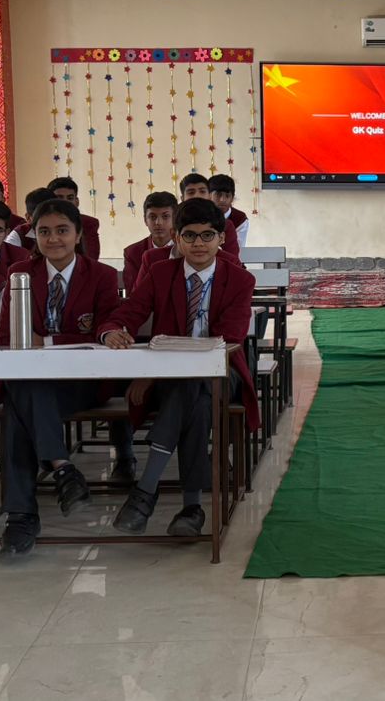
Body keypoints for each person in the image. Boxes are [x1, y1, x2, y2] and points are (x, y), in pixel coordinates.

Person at [100, 199, 258, 536]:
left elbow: (227, 339)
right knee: (194, 402)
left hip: (222, 372)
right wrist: (112, 330)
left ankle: (146, 489)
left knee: (192, 385)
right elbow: (129, 312)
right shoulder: (160, 273)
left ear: (221, 238)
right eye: (189, 235)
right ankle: (192, 508)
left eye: (207, 235)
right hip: (175, 380)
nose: (199, 244)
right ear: (176, 238)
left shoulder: (240, 280)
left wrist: (152, 374)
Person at [0, 198, 123, 555]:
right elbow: (6, 336)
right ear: (34, 235)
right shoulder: (21, 273)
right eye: (44, 231)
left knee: (19, 405)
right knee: (23, 399)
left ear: (78, 234)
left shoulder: (101, 275)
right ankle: (62, 469)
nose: (53, 239)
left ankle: (21, 516)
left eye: (62, 230)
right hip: (31, 380)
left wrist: (47, 341)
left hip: (82, 381)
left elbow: (104, 329)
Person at [123, 191, 179, 291]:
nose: (158, 222)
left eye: (165, 216)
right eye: (153, 217)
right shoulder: (133, 252)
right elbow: (134, 293)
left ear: (175, 219)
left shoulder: (185, 248)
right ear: (145, 220)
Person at [47, 177, 103, 260]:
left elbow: (90, 258)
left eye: (70, 198)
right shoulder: (42, 222)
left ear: (77, 202)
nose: (65, 202)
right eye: (59, 198)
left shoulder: (88, 223)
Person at [207, 174, 252, 249]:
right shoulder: (199, 215)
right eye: (218, 195)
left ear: (232, 198)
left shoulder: (240, 219)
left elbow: (236, 249)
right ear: (208, 195)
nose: (222, 200)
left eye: (227, 196)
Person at [14, 188, 55, 253]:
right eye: (41, 215)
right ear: (28, 218)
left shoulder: (69, 229)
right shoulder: (19, 234)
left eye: (53, 214)